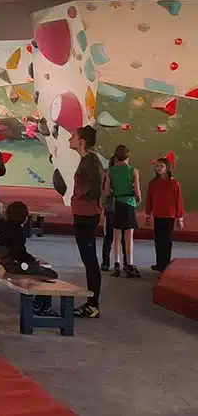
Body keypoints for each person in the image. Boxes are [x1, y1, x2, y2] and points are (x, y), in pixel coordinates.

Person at [0, 201, 56, 315]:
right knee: (49, 274)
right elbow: (20, 254)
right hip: (14, 266)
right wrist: (34, 262)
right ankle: (43, 307)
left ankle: (39, 304)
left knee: (41, 269)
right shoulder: (17, 231)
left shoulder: (5, 226)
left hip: (7, 263)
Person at [69, 125, 104, 318]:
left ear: (81, 142)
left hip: (87, 215)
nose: (70, 139)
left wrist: (80, 198)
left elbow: (97, 186)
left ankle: (93, 304)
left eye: (73, 136)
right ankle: (92, 303)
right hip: (82, 213)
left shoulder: (91, 161)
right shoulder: (86, 160)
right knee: (88, 259)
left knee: (90, 260)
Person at [105, 144, 141, 278]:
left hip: (117, 204)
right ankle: (130, 265)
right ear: (128, 156)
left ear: (115, 156)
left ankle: (116, 265)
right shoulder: (133, 171)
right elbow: (137, 192)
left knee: (116, 237)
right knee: (128, 238)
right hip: (129, 204)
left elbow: (106, 191)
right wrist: (137, 199)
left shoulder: (110, 171)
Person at [145, 156, 185, 272]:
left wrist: (180, 217)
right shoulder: (153, 183)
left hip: (169, 216)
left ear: (167, 167)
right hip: (158, 215)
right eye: (157, 166)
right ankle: (159, 263)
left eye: (161, 166)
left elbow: (178, 200)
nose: (158, 168)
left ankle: (166, 264)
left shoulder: (174, 183)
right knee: (158, 240)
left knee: (166, 241)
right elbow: (149, 199)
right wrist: (148, 215)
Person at [101, 151, 117, 271]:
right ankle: (105, 261)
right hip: (111, 207)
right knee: (109, 236)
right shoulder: (107, 173)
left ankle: (121, 262)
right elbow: (105, 191)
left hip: (118, 207)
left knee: (119, 237)